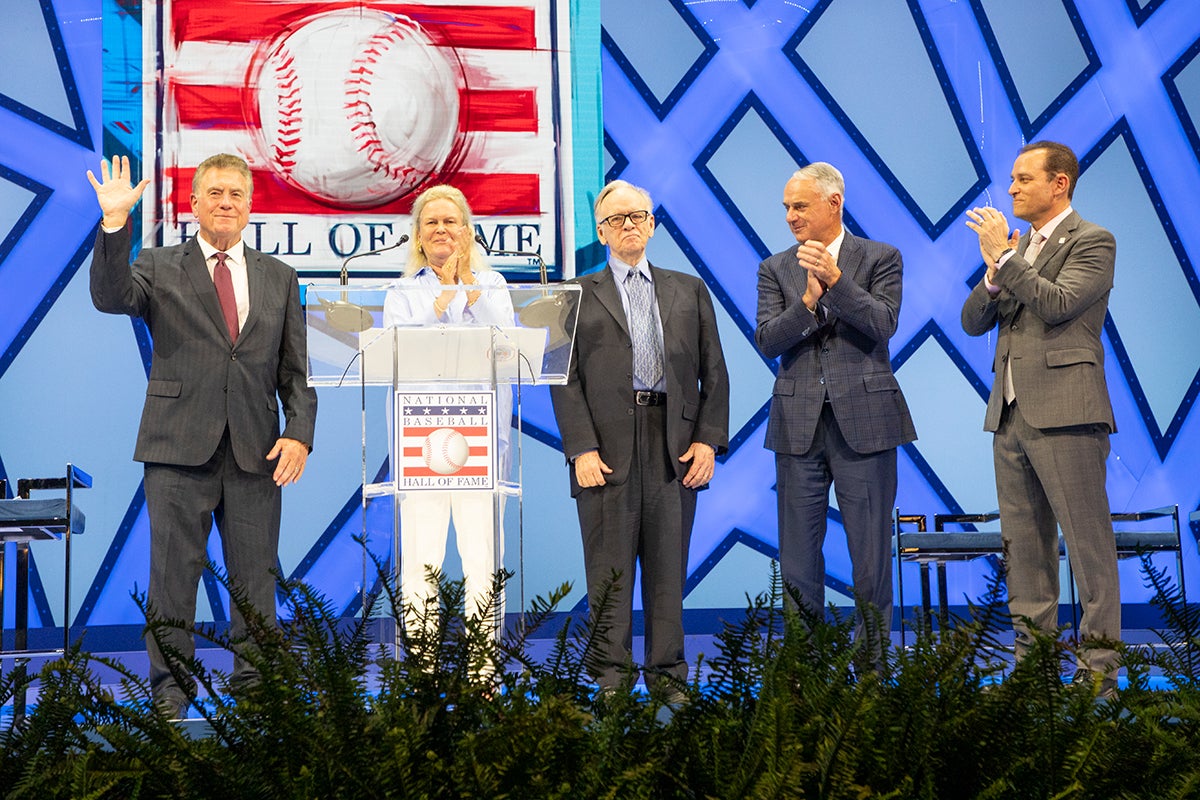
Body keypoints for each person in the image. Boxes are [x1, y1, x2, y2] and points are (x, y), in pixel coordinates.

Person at [87, 153, 317, 718]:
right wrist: (115, 224)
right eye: (213, 193)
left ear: (249, 206)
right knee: (172, 579)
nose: (225, 203)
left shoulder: (279, 277)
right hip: (176, 448)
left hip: (256, 451)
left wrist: (300, 435)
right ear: (193, 205)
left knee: (254, 583)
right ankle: (170, 693)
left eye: (235, 194)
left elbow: (295, 373)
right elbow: (110, 296)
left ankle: (256, 692)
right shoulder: (161, 265)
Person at [549, 179, 729, 695]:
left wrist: (707, 442)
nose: (630, 225)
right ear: (602, 232)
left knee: (668, 572)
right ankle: (611, 681)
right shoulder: (576, 295)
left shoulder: (688, 288)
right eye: (618, 219)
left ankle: (669, 679)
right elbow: (563, 379)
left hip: (673, 444)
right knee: (608, 576)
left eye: (639, 216)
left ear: (651, 224)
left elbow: (714, 370)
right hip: (604, 450)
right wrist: (580, 447)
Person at [962, 141, 1119, 695]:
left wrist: (1007, 260)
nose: (1011, 189)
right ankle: (1034, 670)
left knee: (1087, 550)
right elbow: (972, 322)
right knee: (1024, 552)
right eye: (1011, 179)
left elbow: (1057, 304)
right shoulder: (1017, 248)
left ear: (1060, 184)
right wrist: (993, 273)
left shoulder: (1093, 241)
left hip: (1068, 413)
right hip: (1009, 415)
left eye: (1023, 178)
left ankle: (1098, 674)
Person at [755, 162, 915, 655]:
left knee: (869, 560)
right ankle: (807, 672)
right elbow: (766, 339)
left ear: (834, 204)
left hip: (865, 426)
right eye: (786, 207)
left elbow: (883, 323)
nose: (790, 217)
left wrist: (838, 283)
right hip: (797, 427)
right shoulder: (775, 267)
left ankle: (871, 670)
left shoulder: (881, 257)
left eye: (799, 206)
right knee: (799, 563)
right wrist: (805, 303)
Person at [383, 185, 514, 637]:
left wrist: (468, 292)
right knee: (422, 559)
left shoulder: (493, 286)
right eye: (431, 222)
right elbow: (395, 352)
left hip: (481, 443)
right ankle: (424, 673)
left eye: (451, 221)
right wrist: (438, 302)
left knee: (482, 559)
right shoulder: (401, 292)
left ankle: (484, 672)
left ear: (468, 232)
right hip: (421, 445)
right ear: (418, 237)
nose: (441, 229)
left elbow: (511, 348)